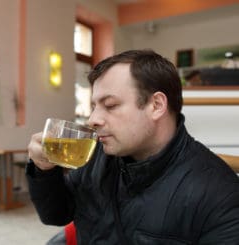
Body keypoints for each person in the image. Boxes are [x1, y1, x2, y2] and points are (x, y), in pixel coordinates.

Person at [26, 49, 239, 244]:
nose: (92, 119)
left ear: (156, 106)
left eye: (110, 105)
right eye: (94, 107)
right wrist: (44, 171)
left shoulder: (220, 194)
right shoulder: (95, 155)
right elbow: (56, 214)